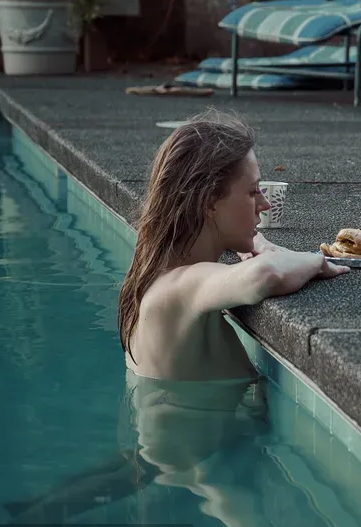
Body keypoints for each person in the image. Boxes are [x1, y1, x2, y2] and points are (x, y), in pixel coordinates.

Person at [119, 109, 348, 380]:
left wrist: (255, 242)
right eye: (253, 191)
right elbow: (266, 275)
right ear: (210, 202)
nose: (265, 204)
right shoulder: (177, 286)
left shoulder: (153, 273)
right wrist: (317, 261)